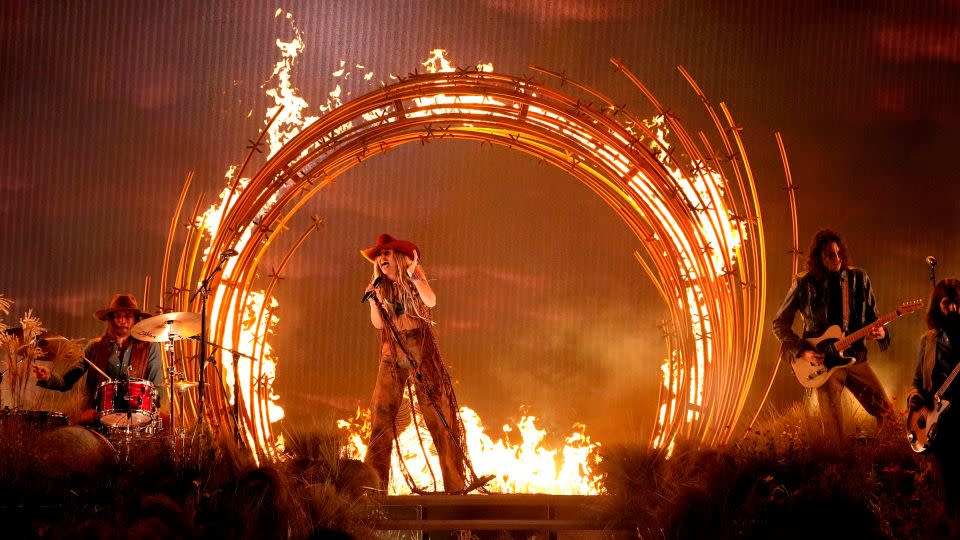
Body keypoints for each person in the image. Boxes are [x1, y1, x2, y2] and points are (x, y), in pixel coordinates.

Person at [360, 233, 470, 493]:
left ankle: (454, 486)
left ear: (397, 257)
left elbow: (431, 301)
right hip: (391, 349)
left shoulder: (413, 276)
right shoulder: (378, 286)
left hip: (419, 347)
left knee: (438, 413)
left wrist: (414, 276)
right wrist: (374, 301)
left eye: (386, 253)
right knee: (381, 413)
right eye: (378, 256)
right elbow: (378, 324)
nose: (381, 258)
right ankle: (375, 487)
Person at [772, 229, 894, 441]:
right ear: (819, 257)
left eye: (839, 253)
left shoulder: (859, 278)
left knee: (887, 413)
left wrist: (881, 332)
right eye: (830, 254)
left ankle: (882, 456)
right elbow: (779, 324)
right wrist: (803, 351)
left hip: (855, 357)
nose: (837, 258)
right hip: (822, 364)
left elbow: (874, 319)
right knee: (834, 433)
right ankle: (837, 469)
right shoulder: (803, 283)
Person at [33, 293, 165, 426]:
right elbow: (66, 382)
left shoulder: (150, 347)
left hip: (138, 422)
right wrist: (48, 376)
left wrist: (148, 409)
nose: (122, 321)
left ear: (136, 319)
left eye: (127, 316)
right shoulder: (94, 347)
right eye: (118, 316)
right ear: (111, 319)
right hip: (97, 421)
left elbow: (158, 390)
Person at [908, 278, 960, 532]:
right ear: (936, 306)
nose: (953, 309)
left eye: (958, 303)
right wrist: (914, 400)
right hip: (938, 427)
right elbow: (918, 382)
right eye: (947, 303)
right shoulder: (926, 341)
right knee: (946, 482)